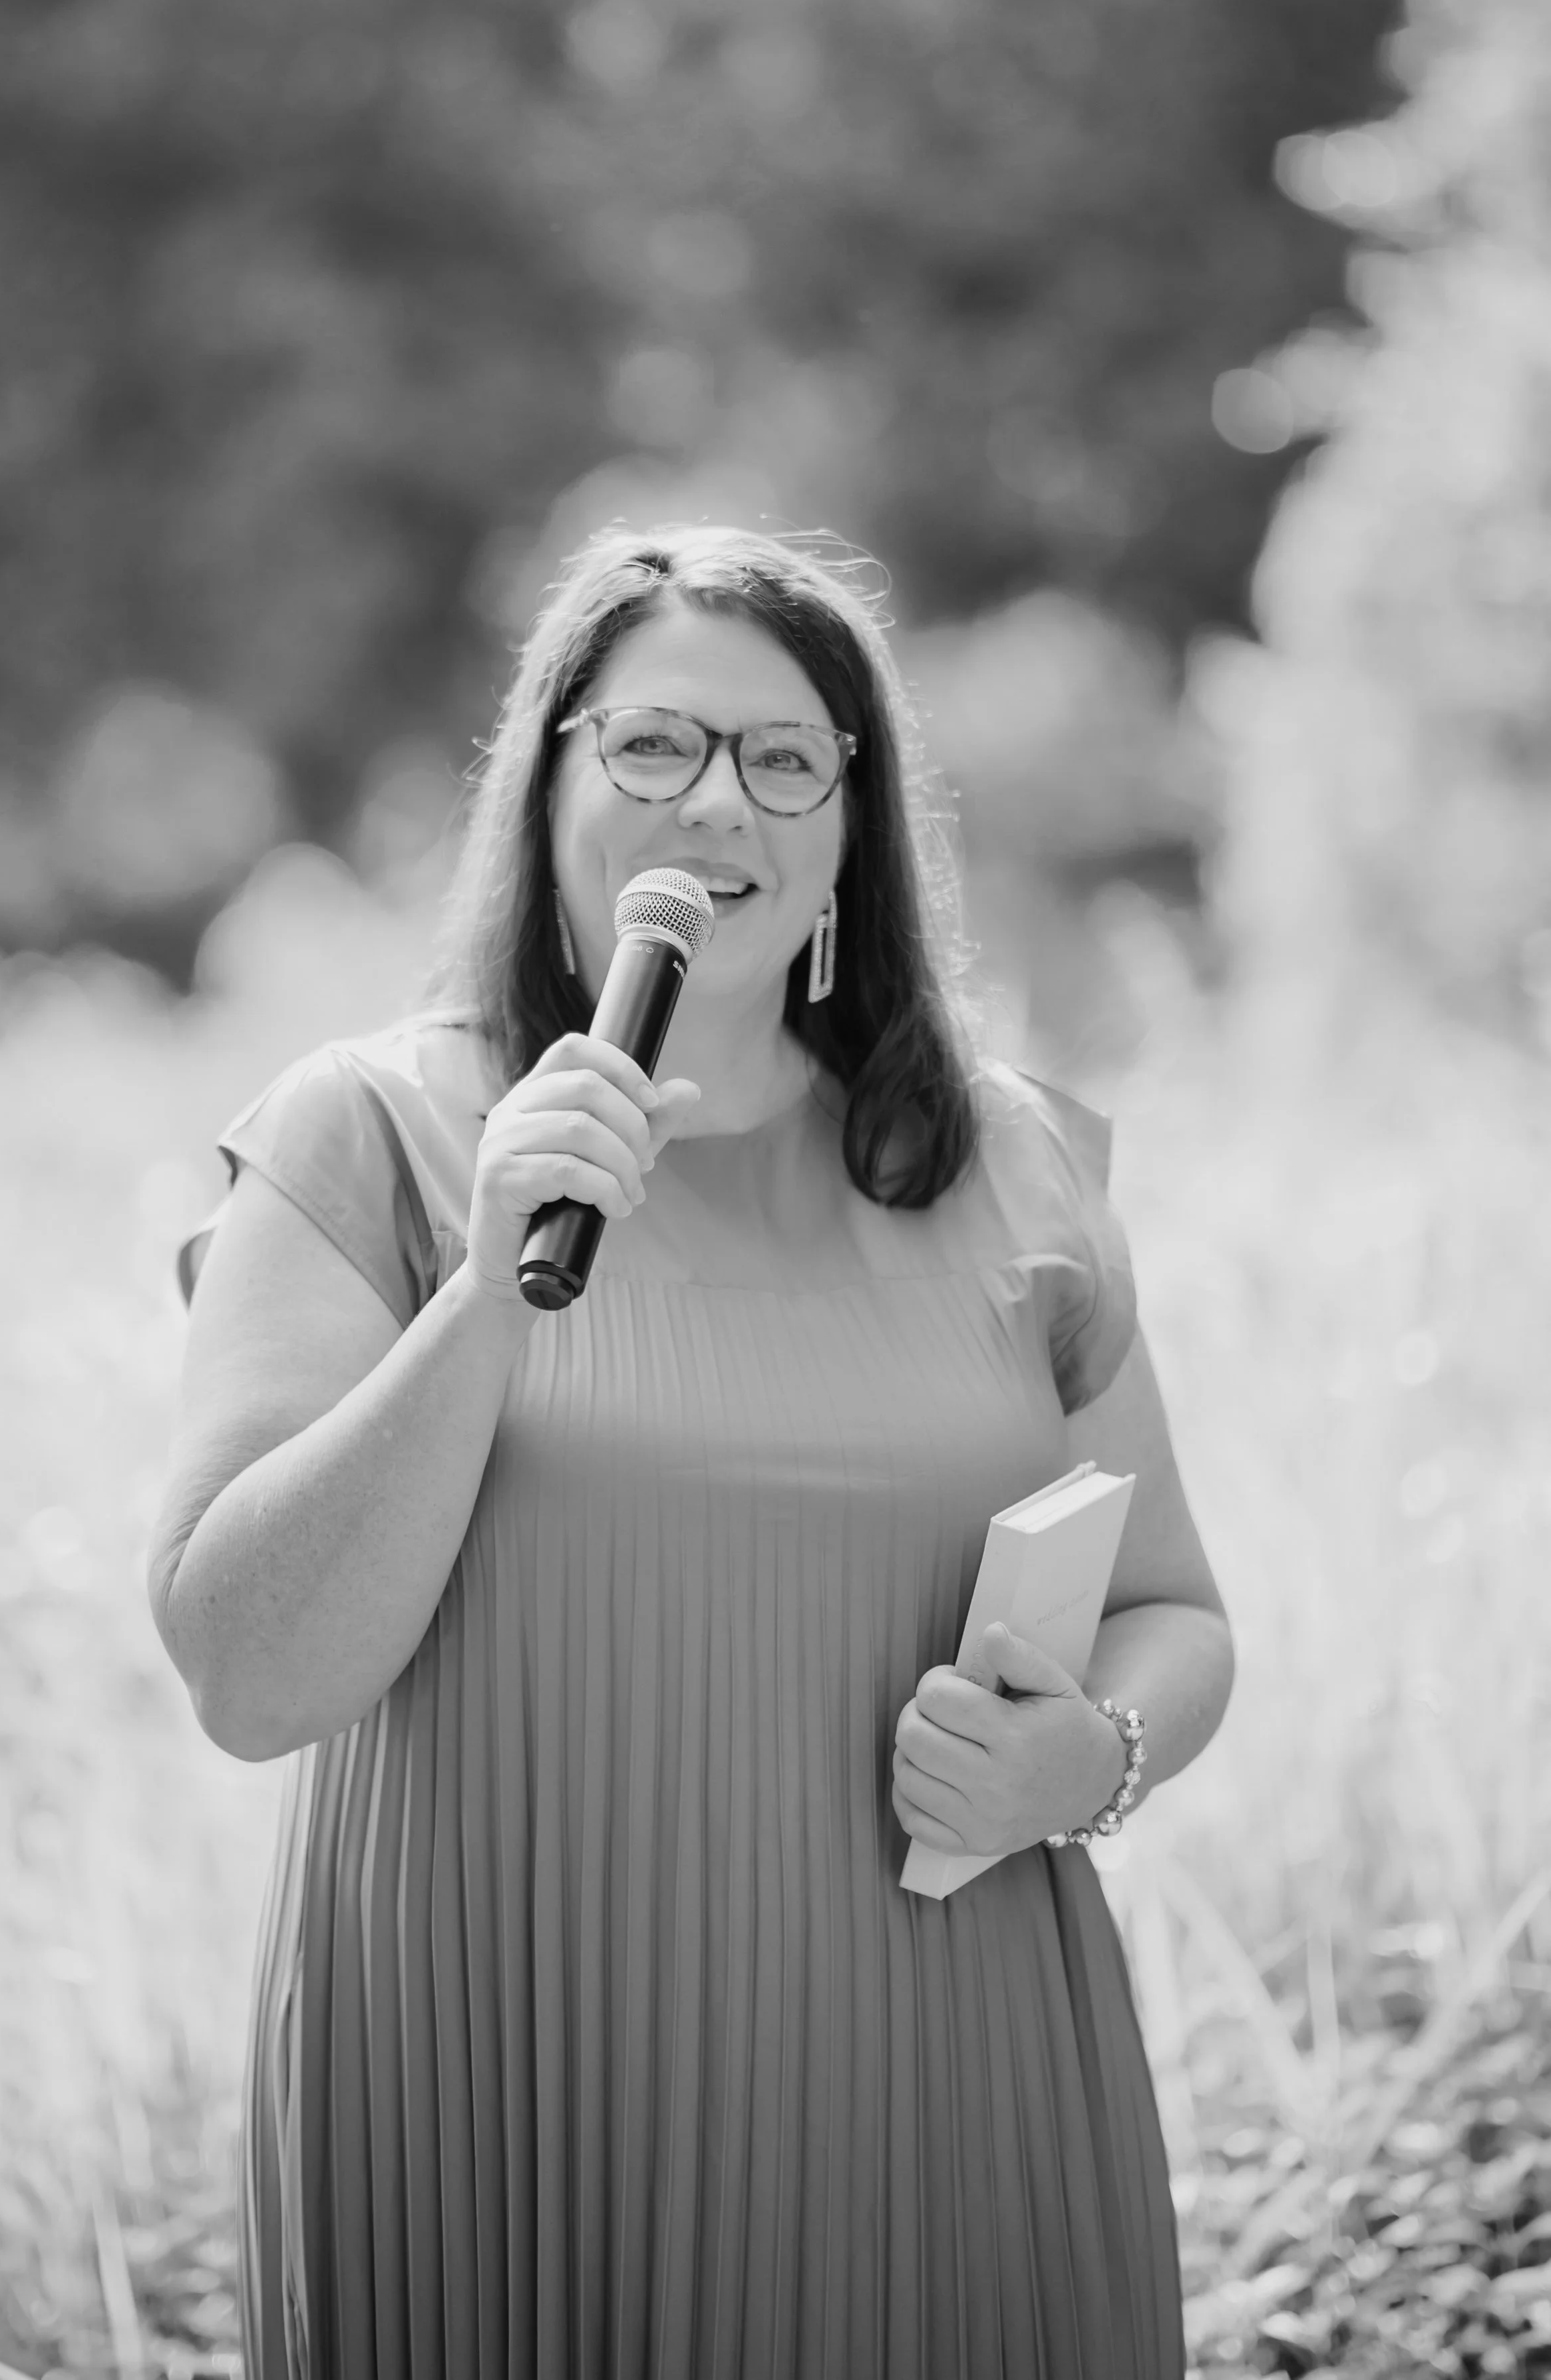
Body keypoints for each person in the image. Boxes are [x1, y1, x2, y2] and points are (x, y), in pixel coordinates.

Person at [151, 524, 1234, 2380]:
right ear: (549, 781)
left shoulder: (1012, 1165)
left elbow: (1175, 1617)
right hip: (506, 2086)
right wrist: (488, 1293)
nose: (714, 804)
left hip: (949, 2084)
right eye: (653, 746)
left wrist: (1086, 1756)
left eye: (783, 759)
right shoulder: (372, 1139)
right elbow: (253, 1679)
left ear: (843, 835)